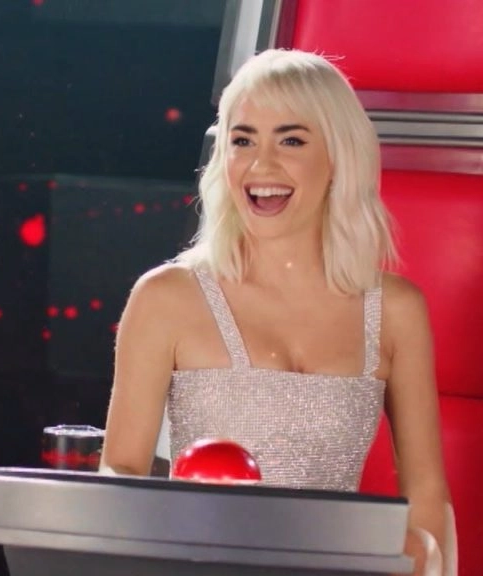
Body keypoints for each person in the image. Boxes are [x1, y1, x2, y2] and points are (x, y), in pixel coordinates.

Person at [100, 49, 456, 576]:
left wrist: (426, 557)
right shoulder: (166, 298)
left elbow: (426, 491)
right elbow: (121, 473)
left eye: (290, 141)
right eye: (243, 140)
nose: (260, 166)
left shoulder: (396, 310)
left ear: (338, 157)